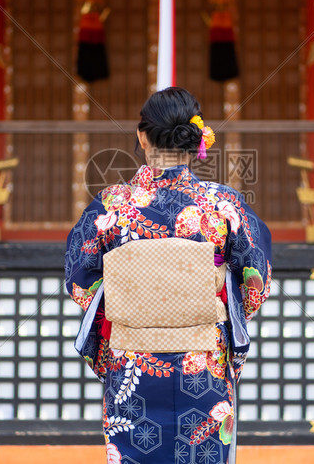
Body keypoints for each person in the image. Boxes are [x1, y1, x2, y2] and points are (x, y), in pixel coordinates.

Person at [65, 87, 271, 464]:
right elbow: (255, 283)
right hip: (203, 363)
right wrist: (203, 308)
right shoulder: (220, 204)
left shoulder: (113, 204)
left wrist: (135, 302)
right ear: (196, 139)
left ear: (142, 136)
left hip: (131, 363)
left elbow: (80, 281)